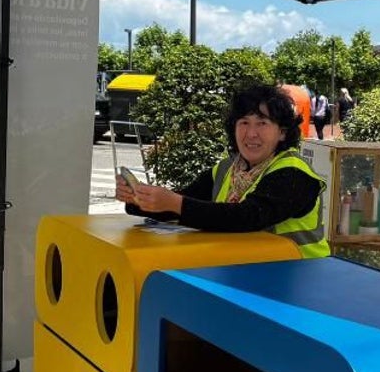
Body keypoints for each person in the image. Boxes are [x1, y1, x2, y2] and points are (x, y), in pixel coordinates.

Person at [115, 83, 330, 258]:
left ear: (282, 133)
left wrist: (174, 202)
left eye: (262, 123)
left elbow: (247, 217)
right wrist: (139, 200)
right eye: (244, 123)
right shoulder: (227, 168)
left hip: (299, 281)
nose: (251, 133)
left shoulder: (294, 173)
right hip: (246, 273)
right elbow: (182, 205)